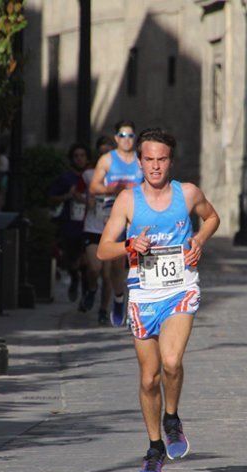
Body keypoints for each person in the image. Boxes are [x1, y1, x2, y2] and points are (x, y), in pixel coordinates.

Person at [97, 128, 220, 472]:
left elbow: (212, 217)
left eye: (161, 159)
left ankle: (172, 417)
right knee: (149, 378)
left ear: (171, 160)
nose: (155, 166)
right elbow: (104, 248)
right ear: (139, 162)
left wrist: (198, 238)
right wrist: (129, 246)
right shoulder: (128, 200)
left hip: (180, 287)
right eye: (148, 159)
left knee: (171, 361)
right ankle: (155, 447)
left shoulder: (188, 193)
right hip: (143, 292)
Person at [89, 120, 145, 327]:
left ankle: (136, 309)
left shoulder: (141, 160)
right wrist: (113, 189)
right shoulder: (107, 159)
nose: (127, 140)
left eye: (130, 136)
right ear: (116, 138)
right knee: (114, 265)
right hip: (112, 214)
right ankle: (119, 297)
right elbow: (94, 186)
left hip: (138, 216)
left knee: (139, 262)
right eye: (122, 135)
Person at [79, 136, 116, 319]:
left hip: (111, 230)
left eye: (108, 153)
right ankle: (92, 289)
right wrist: (88, 200)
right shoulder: (89, 175)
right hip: (93, 227)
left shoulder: (121, 178)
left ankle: (103, 310)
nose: (104, 156)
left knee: (107, 275)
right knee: (94, 268)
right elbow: (79, 196)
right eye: (101, 153)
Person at [48, 143, 90, 302]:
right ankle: (75, 279)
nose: (79, 159)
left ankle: (87, 288)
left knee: (87, 258)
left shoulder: (93, 176)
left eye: (82, 156)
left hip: (88, 223)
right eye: (76, 156)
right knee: (72, 258)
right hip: (70, 223)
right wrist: (68, 196)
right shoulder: (66, 178)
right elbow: (52, 197)